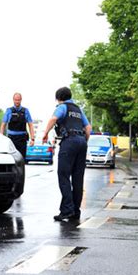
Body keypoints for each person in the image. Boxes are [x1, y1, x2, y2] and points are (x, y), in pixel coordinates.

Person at [43, 87, 92, 221]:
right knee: (78, 178)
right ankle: (76, 211)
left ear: (59, 98)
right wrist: (83, 141)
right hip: (82, 142)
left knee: (63, 175)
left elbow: (53, 119)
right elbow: (88, 128)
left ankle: (67, 210)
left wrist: (45, 133)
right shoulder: (78, 109)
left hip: (69, 142)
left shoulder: (62, 107)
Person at [0, 93, 35, 159]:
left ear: (21, 100)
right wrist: (1, 137)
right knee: (11, 158)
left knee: (21, 159)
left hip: (22, 139)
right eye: (16, 100)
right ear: (13, 100)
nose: (17, 102)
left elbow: (30, 125)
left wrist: (32, 139)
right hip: (11, 139)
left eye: (18, 100)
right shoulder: (9, 110)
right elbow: (3, 124)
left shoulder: (26, 111)